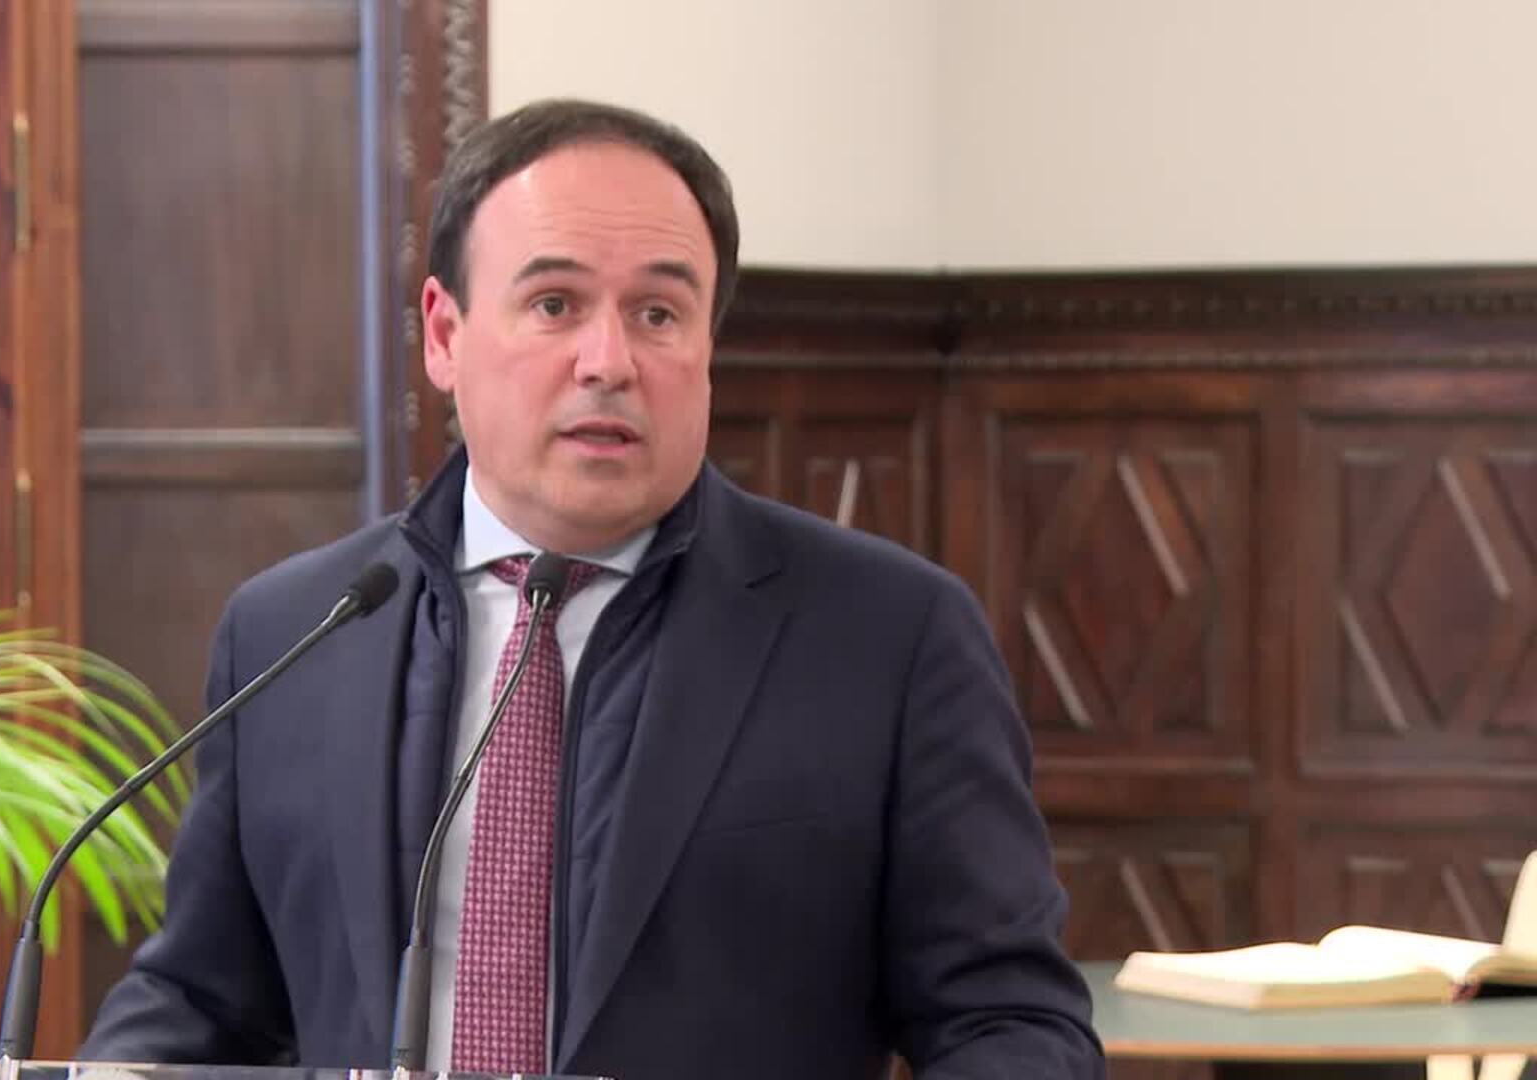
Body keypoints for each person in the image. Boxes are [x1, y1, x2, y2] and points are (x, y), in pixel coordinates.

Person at [79, 98, 1103, 1079]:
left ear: (708, 349)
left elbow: (1009, 1022)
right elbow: (202, 1000)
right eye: (554, 305)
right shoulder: (294, 631)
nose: (607, 362)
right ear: (444, 334)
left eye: (658, 313)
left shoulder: (885, 638)